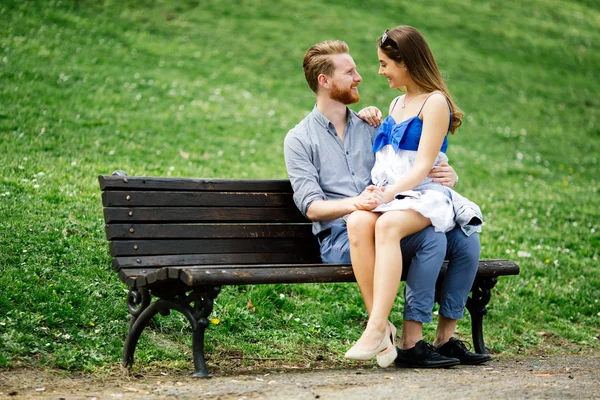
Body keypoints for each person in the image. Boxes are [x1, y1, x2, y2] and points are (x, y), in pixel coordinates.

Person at [283, 39, 490, 368]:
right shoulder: (300, 139)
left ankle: (434, 339)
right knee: (416, 235)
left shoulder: (371, 126)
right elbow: (312, 208)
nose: (361, 76)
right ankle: (393, 332)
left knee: (463, 239)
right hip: (341, 237)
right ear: (324, 81)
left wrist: (444, 172)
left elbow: (405, 164)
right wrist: (358, 202)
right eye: (350, 72)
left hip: (384, 216)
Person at [344, 25, 491, 368]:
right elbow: (390, 159)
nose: (379, 72)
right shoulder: (397, 102)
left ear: (406, 62)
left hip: (422, 195)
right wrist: (369, 121)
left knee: (390, 228)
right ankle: (383, 328)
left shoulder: (434, 102)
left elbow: (423, 165)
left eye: (384, 64)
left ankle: (378, 327)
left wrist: (387, 193)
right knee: (370, 223)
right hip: (397, 195)